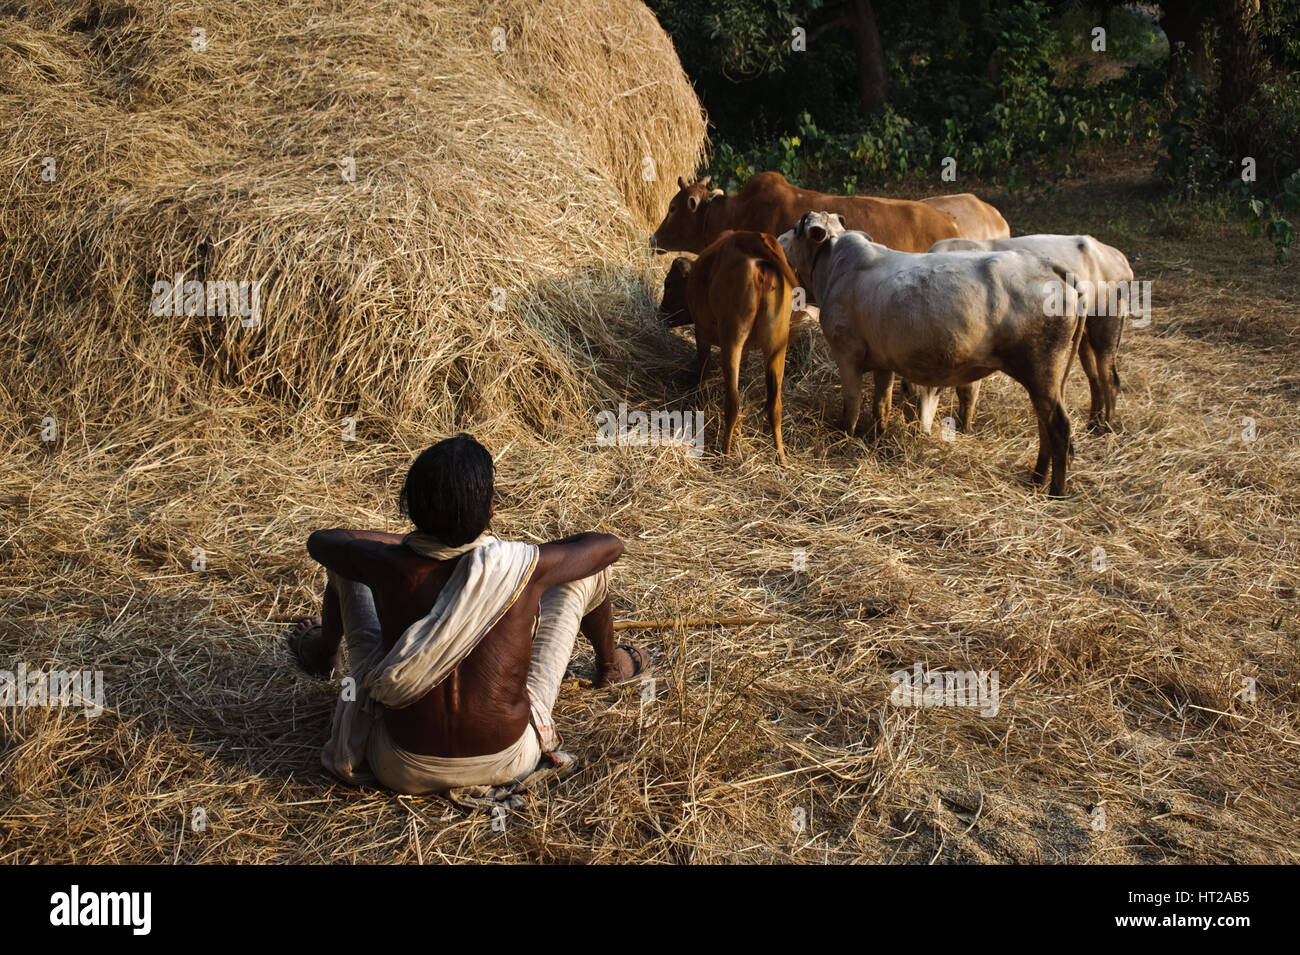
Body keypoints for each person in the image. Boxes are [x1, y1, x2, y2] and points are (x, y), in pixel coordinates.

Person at [288, 433, 648, 795]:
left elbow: (322, 540)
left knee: (343, 568)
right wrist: (509, 552)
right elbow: (609, 547)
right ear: (490, 510)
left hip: (398, 766)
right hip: (509, 759)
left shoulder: (383, 563)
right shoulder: (521, 565)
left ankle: (323, 656)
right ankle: (610, 669)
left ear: (411, 508)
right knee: (590, 570)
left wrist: (408, 545)